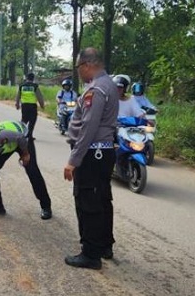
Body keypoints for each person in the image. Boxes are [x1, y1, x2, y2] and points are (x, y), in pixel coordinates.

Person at [63, 48, 119, 270]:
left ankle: (90, 254)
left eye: (78, 67)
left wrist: (73, 160)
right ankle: (104, 245)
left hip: (92, 153)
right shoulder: (109, 84)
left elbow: (88, 127)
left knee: (88, 201)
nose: (78, 72)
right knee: (102, 199)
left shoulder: (96, 89)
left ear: (87, 65)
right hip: (103, 152)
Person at [15, 72, 45, 140]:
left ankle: (22, 134)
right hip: (32, 106)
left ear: (26, 78)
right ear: (33, 78)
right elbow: (39, 96)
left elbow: (18, 96)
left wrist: (17, 104)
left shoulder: (22, 86)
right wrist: (42, 105)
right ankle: (29, 135)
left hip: (24, 105)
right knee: (32, 120)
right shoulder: (35, 86)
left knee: (24, 120)